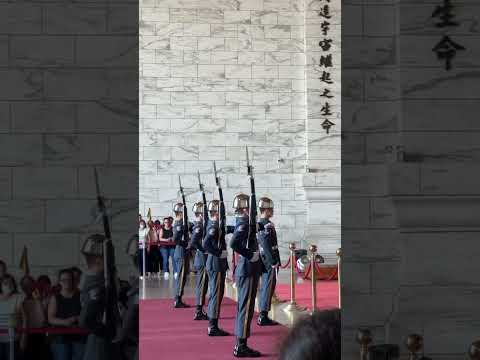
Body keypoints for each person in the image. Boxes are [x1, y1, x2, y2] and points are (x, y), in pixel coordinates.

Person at [230, 194, 262, 357]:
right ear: (245, 208)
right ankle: (241, 345)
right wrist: (250, 255)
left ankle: (240, 342)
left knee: (244, 306)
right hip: (248, 269)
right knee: (246, 306)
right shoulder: (243, 223)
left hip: (248, 269)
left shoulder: (244, 222)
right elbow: (233, 243)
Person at [79, 233, 119, 360]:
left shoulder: (104, 280)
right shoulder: (96, 283)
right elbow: (85, 320)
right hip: (100, 342)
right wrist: (104, 330)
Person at [203, 200, 230, 336]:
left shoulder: (214, 224)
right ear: (215, 213)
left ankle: (212, 323)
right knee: (216, 294)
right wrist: (219, 253)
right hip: (216, 263)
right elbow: (206, 244)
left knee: (215, 293)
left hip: (215, 263)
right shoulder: (213, 226)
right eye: (221, 212)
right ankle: (213, 326)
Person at [48, 268, 85, 360]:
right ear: (59, 281)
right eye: (64, 280)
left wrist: (76, 318)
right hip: (60, 338)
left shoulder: (81, 295)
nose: (67, 282)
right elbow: (51, 318)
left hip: (79, 336)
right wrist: (65, 322)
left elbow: (86, 313)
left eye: (69, 279)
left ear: (73, 280)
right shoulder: (55, 298)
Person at [256, 197, 281, 326]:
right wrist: (273, 261)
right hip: (269, 260)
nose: (272, 211)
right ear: (265, 210)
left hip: (266, 259)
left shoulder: (263, 223)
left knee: (267, 286)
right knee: (267, 287)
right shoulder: (266, 224)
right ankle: (263, 315)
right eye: (271, 209)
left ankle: (263, 313)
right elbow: (266, 245)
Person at [21, 275, 50, 360]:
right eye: (25, 284)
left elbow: (43, 320)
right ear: (22, 287)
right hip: (24, 334)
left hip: (39, 334)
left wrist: (38, 300)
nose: (28, 286)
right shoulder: (20, 299)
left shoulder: (41, 298)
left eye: (30, 284)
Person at [0, 274, 26, 360]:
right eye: (6, 283)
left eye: (11, 283)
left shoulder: (18, 297)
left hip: (12, 340)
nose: (9, 285)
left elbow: (25, 318)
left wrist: (23, 337)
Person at [190, 202, 208, 321]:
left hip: (202, 258)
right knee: (201, 285)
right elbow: (194, 242)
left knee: (203, 285)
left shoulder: (201, 225)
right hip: (202, 258)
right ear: (201, 214)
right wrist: (204, 250)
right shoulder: (199, 226)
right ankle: (198, 310)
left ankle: (199, 309)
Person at [172, 203, 190, 308]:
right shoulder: (178, 223)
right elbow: (175, 239)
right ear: (180, 212)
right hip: (181, 252)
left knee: (182, 277)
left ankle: (178, 298)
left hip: (182, 252)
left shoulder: (181, 223)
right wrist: (185, 244)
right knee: (181, 277)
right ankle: (177, 299)